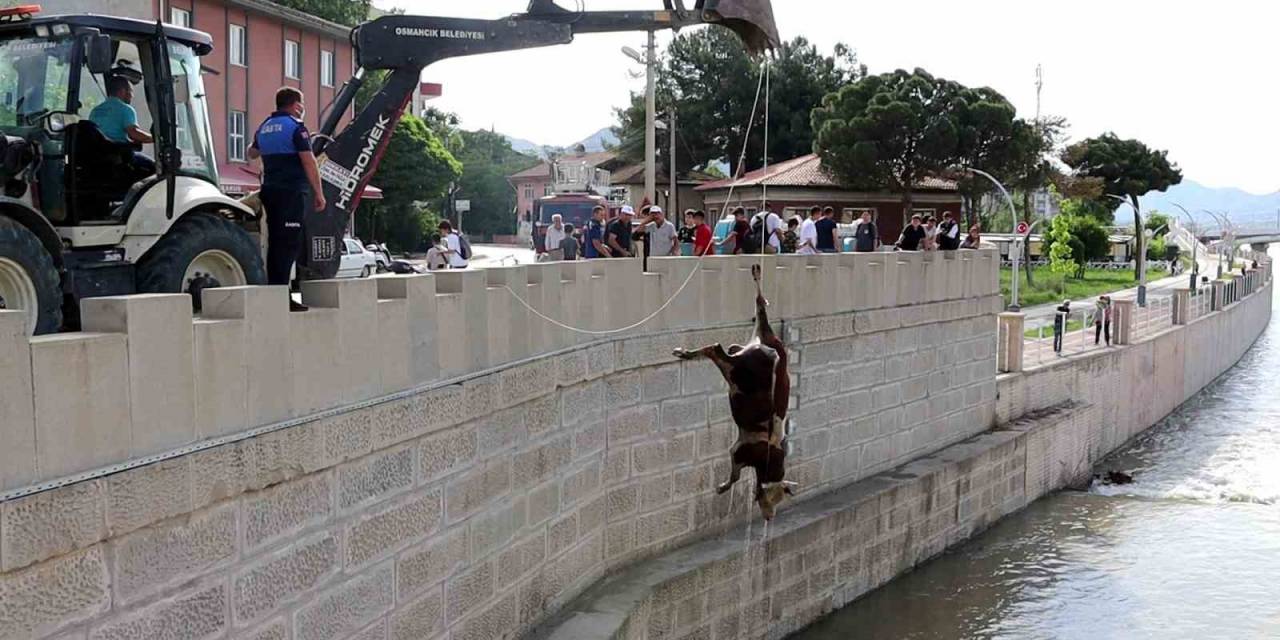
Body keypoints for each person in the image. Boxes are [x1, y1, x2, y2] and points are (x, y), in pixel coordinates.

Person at [248, 87, 325, 312]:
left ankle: (275, 293)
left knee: (275, 243)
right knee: (288, 244)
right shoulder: (296, 128)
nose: (303, 108)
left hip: (269, 191)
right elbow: (309, 161)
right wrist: (319, 193)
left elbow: (251, 153)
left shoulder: (264, 127)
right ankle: (282, 297)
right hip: (291, 192)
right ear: (296, 105)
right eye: (302, 104)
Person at [89, 73, 156, 179]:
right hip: (119, 159)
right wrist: (155, 138)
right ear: (123, 91)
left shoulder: (95, 110)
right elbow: (134, 134)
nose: (132, 96)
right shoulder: (125, 109)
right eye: (131, 91)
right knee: (155, 169)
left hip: (97, 160)